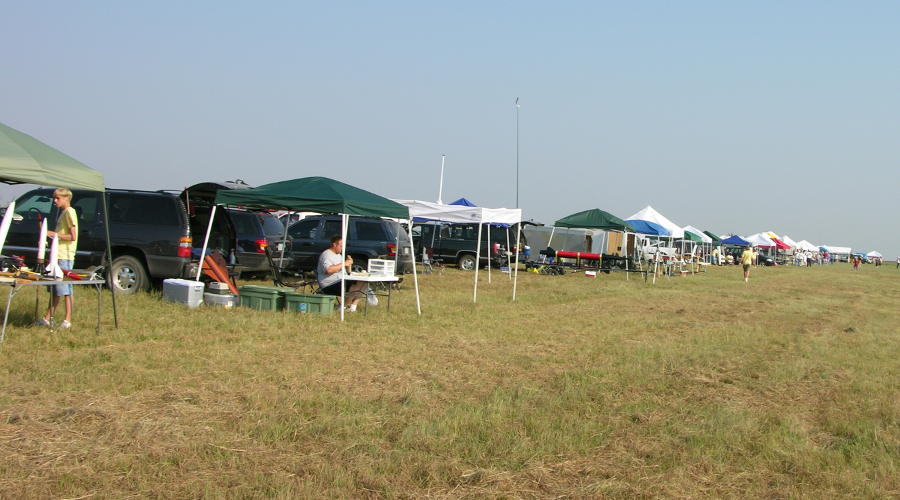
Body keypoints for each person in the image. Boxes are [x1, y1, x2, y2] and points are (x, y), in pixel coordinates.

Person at [38, 188, 78, 329]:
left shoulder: (69, 212)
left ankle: (67, 320)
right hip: (58, 254)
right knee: (57, 289)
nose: (55, 201)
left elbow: (73, 237)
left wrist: (53, 234)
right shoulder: (63, 213)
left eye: (58, 198)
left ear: (66, 198)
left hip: (64, 255)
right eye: (54, 198)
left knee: (64, 288)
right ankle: (47, 318)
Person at [317, 235, 367, 312]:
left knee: (364, 282)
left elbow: (343, 270)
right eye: (341, 246)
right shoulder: (326, 255)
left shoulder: (339, 255)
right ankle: (342, 307)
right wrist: (344, 263)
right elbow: (328, 270)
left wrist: (348, 266)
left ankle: (353, 307)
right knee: (356, 284)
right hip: (329, 284)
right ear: (334, 244)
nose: (342, 248)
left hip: (339, 280)